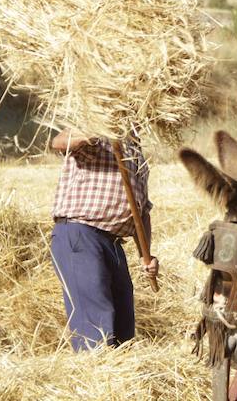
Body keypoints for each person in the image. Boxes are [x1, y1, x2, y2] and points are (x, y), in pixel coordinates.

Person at [49, 130, 159, 351]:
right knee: (95, 323)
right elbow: (59, 142)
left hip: (113, 243)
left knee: (123, 323)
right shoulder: (100, 137)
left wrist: (146, 255)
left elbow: (142, 212)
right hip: (80, 235)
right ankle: (97, 377)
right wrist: (90, 135)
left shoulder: (137, 157)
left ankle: (120, 376)